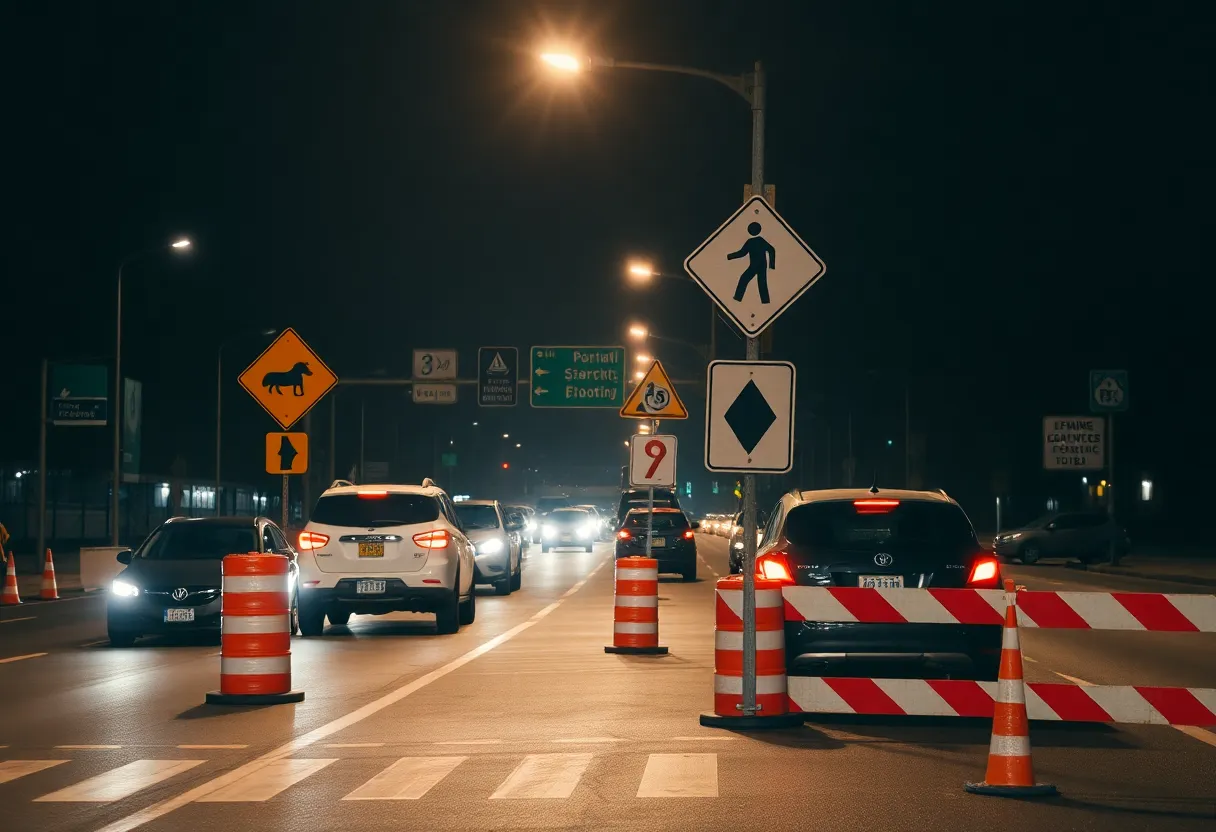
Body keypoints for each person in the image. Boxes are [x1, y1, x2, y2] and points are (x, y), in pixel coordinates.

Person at [728, 221, 776, 304]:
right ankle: (765, 301)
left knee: (744, 279)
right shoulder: (759, 240)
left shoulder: (751, 241)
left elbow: (742, 253)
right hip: (761, 265)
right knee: (761, 283)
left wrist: (729, 256)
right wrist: (771, 265)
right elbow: (771, 250)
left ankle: (738, 298)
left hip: (754, 266)